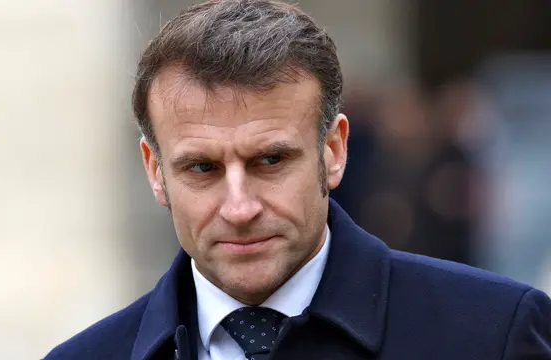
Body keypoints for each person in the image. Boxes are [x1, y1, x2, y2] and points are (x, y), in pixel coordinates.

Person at [44, 1, 551, 359]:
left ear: (332, 151)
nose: (239, 208)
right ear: (156, 172)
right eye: (202, 168)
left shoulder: (492, 334)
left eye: (270, 161)